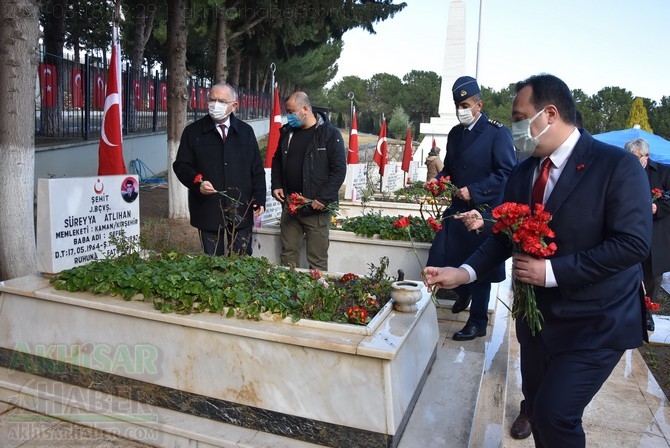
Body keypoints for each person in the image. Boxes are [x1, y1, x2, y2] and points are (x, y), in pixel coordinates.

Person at [424, 73, 652, 447]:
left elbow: (632, 244)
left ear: (549, 114)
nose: (515, 127)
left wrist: (552, 271)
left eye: (519, 117)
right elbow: (504, 234)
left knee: (555, 415)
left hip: (596, 320)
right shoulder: (524, 171)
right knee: (539, 414)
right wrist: (461, 273)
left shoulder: (615, 167)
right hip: (537, 323)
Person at [426, 75, 516, 341]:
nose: (460, 110)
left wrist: (475, 191)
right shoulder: (455, 134)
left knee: (481, 268)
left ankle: (477, 321)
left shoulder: (497, 133)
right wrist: (438, 182)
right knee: (443, 250)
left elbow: (506, 172)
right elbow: (451, 169)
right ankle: (461, 290)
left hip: (484, 210)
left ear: (479, 104)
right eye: (458, 105)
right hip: (457, 209)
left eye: (465, 104)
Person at [173, 83, 266, 256]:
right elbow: (181, 165)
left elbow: (257, 169)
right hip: (208, 208)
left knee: (241, 258)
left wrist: (259, 199)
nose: (216, 105)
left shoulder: (246, 132)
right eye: (212, 99)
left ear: (234, 105)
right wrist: (197, 183)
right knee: (212, 260)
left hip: (241, 207)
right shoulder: (193, 132)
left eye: (222, 101)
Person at [270, 91, 346, 271]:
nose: (288, 115)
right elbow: (277, 159)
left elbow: (339, 170)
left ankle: (316, 297)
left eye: (291, 111)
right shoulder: (287, 132)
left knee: (317, 260)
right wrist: (277, 184)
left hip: (317, 206)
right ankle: (289, 294)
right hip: (290, 205)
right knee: (288, 254)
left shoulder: (329, 134)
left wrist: (324, 197)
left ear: (305, 109)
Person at [624, 138, 670, 332]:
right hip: (629, 230)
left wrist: (656, 207)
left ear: (646, 157)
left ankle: (647, 313)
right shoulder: (623, 171)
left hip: (654, 233)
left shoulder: (663, 172)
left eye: (635, 158)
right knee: (627, 272)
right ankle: (627, 311)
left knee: (652, 277)